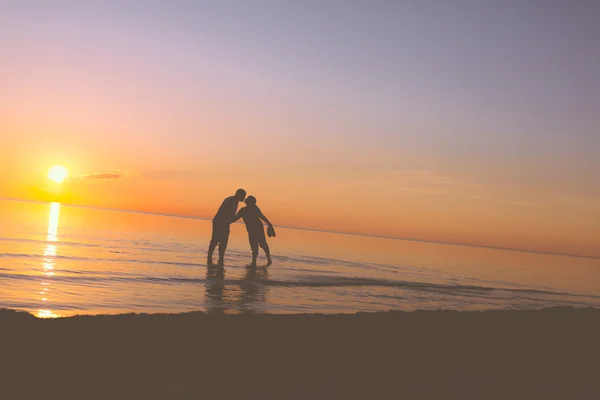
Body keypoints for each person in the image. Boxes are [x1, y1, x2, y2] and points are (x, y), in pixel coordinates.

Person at [207, 189, 246, 266]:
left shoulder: (233, 200)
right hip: (220, 222)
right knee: (218, 240)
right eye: (243, 196)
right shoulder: (231, 201)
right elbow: (226, 214)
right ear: (239, 195)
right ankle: (214, 257)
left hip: (222, 222)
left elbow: (229, 216)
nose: (244, 198)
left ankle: (218, 258)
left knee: (220, 240)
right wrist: (238, 215)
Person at [232, 195, 274, 267]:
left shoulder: (250, 209)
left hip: (257, 229)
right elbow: (234, 219)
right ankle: (258, 261)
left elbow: (261, 216)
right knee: (258, 245)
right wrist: (269, 224)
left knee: (260, 244)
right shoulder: (244, 210)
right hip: (253, 230)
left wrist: (269, 224)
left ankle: (266, 260)